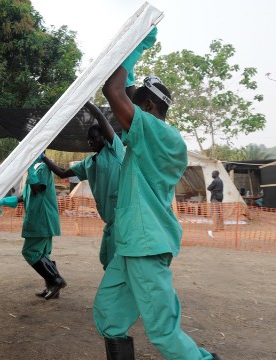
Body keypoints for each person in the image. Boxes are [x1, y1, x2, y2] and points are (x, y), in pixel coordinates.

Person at [97, 28, 221, 359]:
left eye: (133, 107)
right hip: (131, 245)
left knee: (163, 332)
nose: (125, 118)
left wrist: (137, 44)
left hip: (147, 245)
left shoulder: (163, 136)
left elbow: (113, 90)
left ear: (149, 106)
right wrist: (129, 72)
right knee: (109, 315)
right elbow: (121, 91)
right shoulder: (146, 137)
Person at [41, 101, 124, 270]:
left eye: (93, 138)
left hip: (122, 217)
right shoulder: (88, 163)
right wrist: (43, 157)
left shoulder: (115, 150)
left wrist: (85, 102)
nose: (90, 142)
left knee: (115, 262)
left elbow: (101, 118)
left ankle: (119, 292)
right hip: (109, 220)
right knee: (106, 259)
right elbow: (63, 173)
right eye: (88, 140)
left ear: (104, 137)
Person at [0, 156, 66, 300]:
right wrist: (3, 201)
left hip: (42, 218)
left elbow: (37, 189)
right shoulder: (34, 168)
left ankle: (56, 281)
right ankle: (52, 288)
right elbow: (25, 196)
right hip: (40, 218)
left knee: (30, 251)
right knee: (43, 253)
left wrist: (29, 168)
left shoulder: (42, 168)